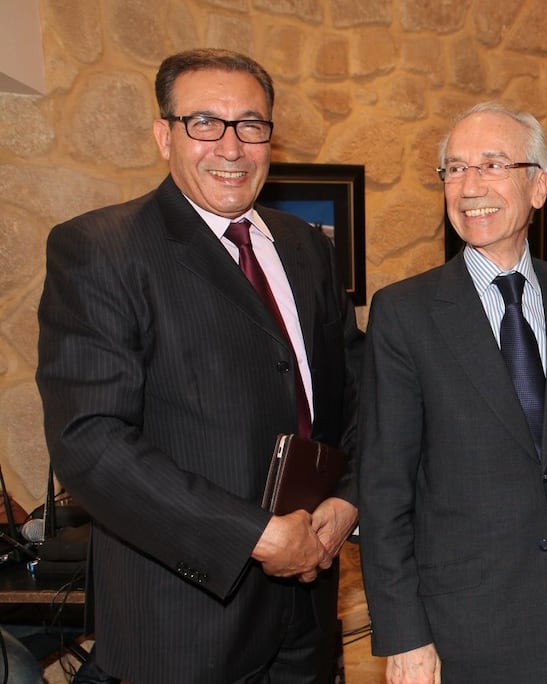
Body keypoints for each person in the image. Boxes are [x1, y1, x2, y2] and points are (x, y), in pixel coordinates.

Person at [36, 49, 361, 682]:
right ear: (164, 136)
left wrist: (350, 499)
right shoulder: (101, 250)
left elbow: (353, 391)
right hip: (185, 623)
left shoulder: (304, 248)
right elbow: (91, 444)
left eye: (252, 125)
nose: (232, 146)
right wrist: (254, 536)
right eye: (205, 122)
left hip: (308, 609)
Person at [358, 102, 547, 684]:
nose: (470, 186)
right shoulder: (405, 313)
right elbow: (384, 489)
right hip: (461, 627)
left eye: (493, 165)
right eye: (455, 168)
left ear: (538, 186)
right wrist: (404, 635)